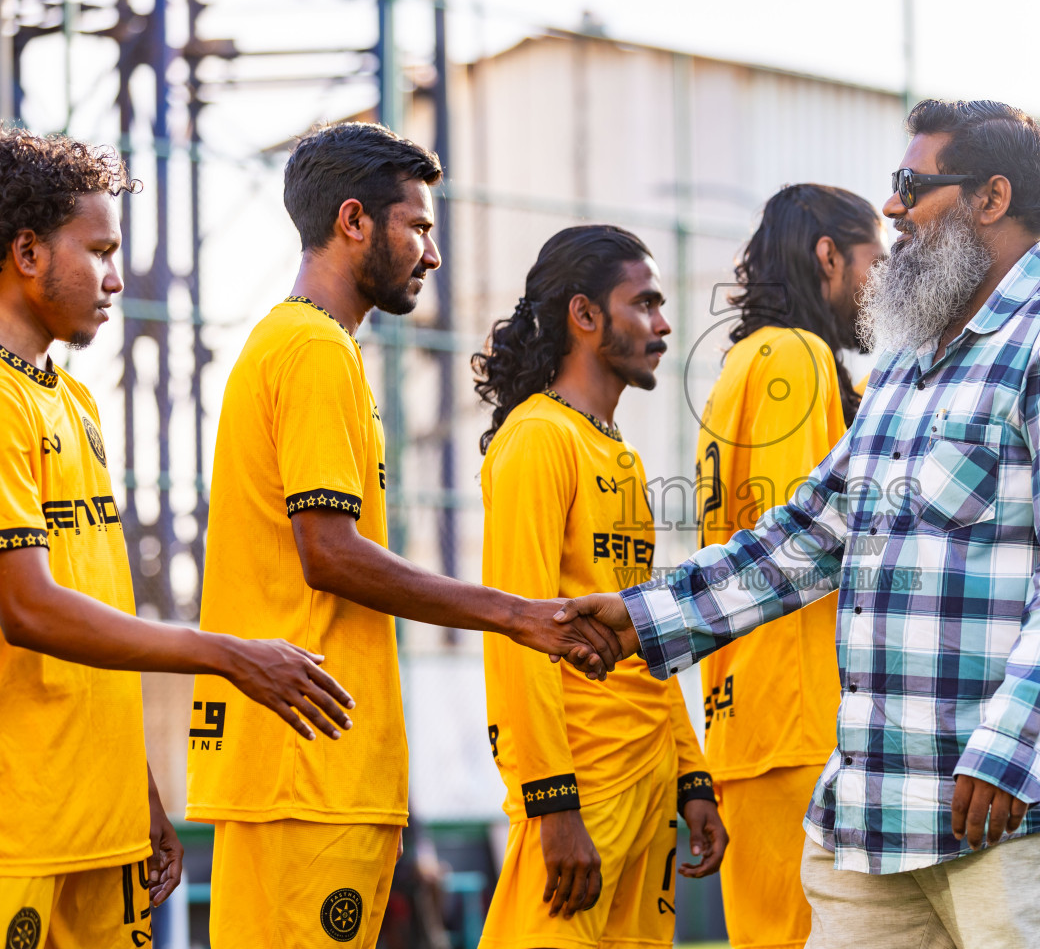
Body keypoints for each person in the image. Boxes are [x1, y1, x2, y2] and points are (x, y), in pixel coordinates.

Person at [562, 98, 1040, 948]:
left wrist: (1010, 751)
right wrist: (645, 618)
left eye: (914, 187)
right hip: (873, 816)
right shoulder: (907, 361)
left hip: (1015, 809)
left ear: (991, 199)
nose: (892, 209)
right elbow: (813, 532)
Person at [186, 123, 617, 948]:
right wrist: (516, 615)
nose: (433, 253)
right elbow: (331, 553)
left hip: (309, 770)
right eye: (418, 227)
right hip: (304, 772)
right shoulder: (312, 348)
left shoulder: (312, 346)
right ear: (354, 221)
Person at [0, 127, 355, 947]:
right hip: (21, 827)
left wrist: (142, 791)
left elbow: (95, 606)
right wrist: (227, 654)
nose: (117, 278)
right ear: (26, 252)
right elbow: (30, 609)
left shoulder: (73, 403)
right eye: (98, 251)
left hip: (102, 822)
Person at [473, 224, 727, 949]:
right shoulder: (537, 439)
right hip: (582, 790)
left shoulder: (621, 456)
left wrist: (692, 778)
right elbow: (513, 633)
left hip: (648, 788)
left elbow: (646, 629)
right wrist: (552, 805)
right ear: (584, 316)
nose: (663, 322)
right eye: (643, 303)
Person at [694, 184, 882, 949]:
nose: (886, 283)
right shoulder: (794, 357)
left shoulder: (750, 361)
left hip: (758, 722)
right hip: (800, 721)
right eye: (878, 260)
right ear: (829, 255)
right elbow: (801, 542)